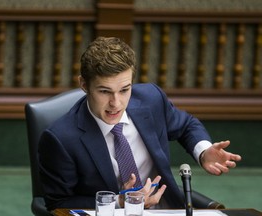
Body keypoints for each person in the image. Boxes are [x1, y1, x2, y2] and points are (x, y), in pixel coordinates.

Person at [38, 36, 242, 211]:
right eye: (104, 91)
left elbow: (186, 125)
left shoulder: (151, 100)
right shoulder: (61, 139)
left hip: (166, 211)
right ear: (84, 85)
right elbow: (59, 204)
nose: (115, 104)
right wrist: (119, 201)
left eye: (124, 90)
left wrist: (204, 152)